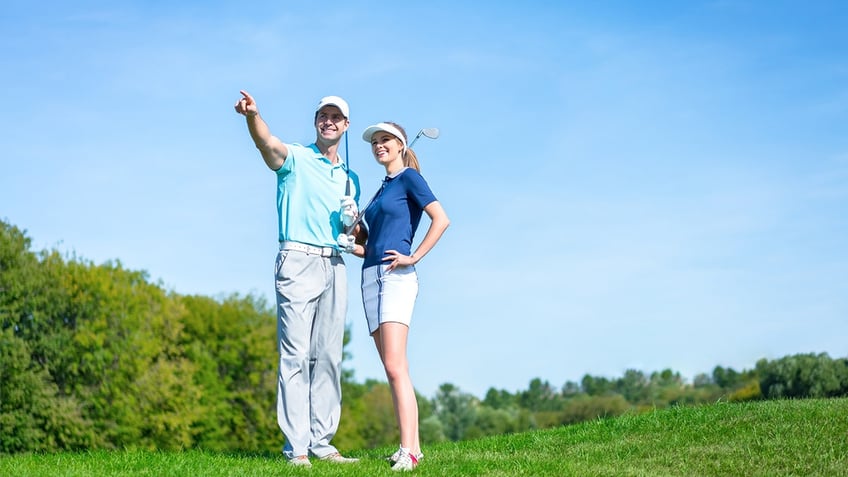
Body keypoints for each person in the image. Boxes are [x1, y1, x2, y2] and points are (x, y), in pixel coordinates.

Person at [234, 90, 361, 467]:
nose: (329, 121)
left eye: (336, 117)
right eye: (323, 115)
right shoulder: (296, 157)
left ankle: (322, 442)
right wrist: (252, 116)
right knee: (295, 355)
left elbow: (356, 239)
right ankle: (298, 448)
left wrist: (353, 224)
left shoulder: (350, 178)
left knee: (329, 357)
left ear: (346, 126)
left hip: (335, 264)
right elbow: (266, 143)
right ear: (316, 121)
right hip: (298, 260)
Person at [337, 121, 450, 471]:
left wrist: (413, 256)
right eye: (375, 142)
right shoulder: (381, 189)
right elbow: (370, 245)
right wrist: (351, 238)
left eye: (385, 140)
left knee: (395, 365)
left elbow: (441, 219)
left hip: (395, 276)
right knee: (392, 369)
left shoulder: (409, 179)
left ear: (400, 144)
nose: (378, 145)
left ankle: (410, 451)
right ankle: (411, 446)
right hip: (369, 277)